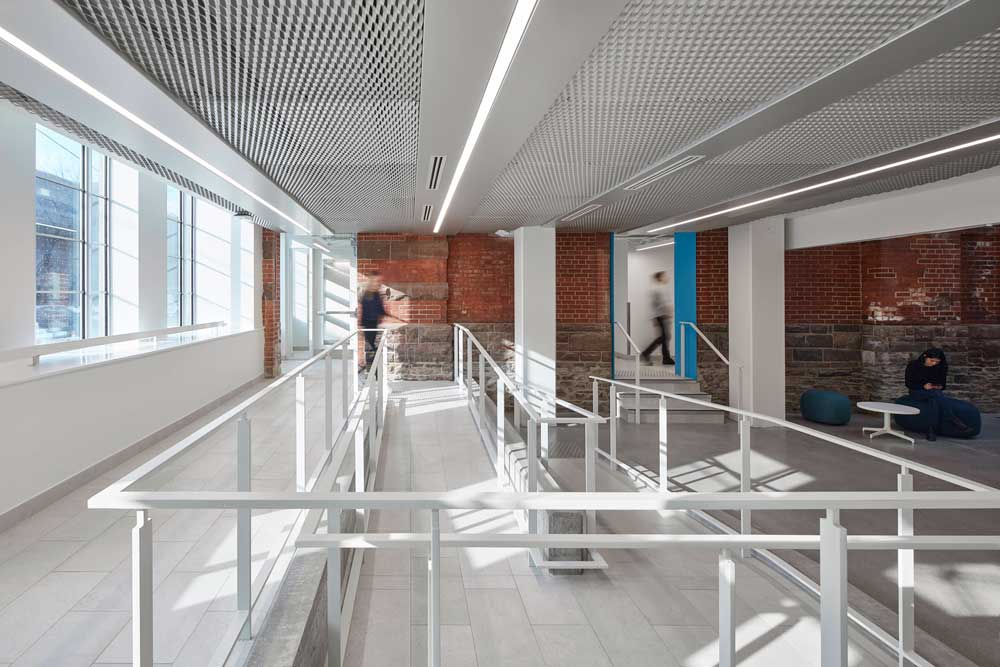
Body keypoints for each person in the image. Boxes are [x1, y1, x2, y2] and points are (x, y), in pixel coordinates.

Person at [904, 348, 974, 441]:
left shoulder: (941, 367)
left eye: (936, 362)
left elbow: (943, 385)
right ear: (925, 357)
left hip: (933, 392)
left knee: (934, 400)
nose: (934, 364)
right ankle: (952, 419)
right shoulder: (913, 365)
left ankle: (931, 430)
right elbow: (908, 384)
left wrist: (938, 386)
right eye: (932, 361)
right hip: (917, 391)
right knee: (936, 395)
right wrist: (923, 386)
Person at [640, 271, 675, 366]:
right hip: (660, 316)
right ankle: (646, 353)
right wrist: (666, 311)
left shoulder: (660, 288)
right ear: (660, 277)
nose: (667, 277)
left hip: (661, 316)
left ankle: (666, 358)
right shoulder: (657, 289)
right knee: (664, 337)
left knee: (665, 337)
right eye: (664, 276)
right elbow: (658, 304)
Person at [358, 271, 388, 369]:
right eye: (377, 281)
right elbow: (370, 312)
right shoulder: (368, 294)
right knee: (372, 350)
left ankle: (374, 372)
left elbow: (380, 309)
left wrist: (385, 314)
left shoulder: (376, 294)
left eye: (380, 281)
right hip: (369, 326)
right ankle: (373, 373)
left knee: (374, 350)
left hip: (373, 325)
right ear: (372, 281)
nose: (379, 283)